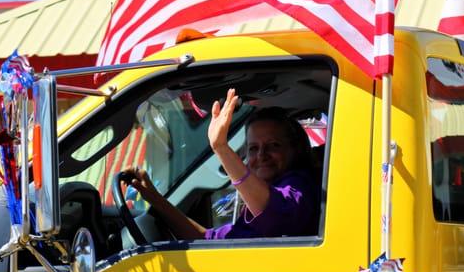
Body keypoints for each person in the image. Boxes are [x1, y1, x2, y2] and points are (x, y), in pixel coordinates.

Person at [123, 88, 320, 239]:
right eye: (253, 148)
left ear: (295, 149)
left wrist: (221, 147)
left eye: (273, 145)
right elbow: (206, 240)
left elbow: (274, 212)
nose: (261, 155)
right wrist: (154, 198)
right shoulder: (261, 197)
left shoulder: (299, 185)